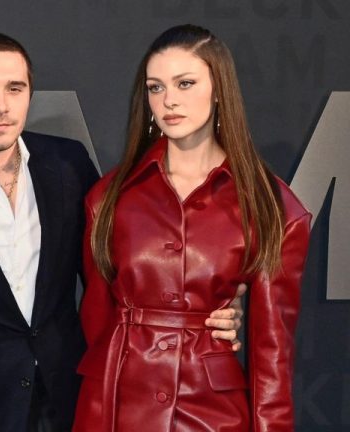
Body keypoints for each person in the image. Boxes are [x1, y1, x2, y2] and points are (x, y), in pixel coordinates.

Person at [0, 31, 243, 432]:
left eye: (15, 88)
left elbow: (115, 272)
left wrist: (212, 309)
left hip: (65, 398)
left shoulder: (67, 163)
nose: (1, 106)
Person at [73, 24, 312, 431]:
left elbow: (272, 354)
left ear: (219, 89)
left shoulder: (272, 206)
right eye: (156, 87)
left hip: (211, 412)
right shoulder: (109, 196)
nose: (169, 100)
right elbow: (96, 319)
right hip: (115, 406)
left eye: (185, 83)